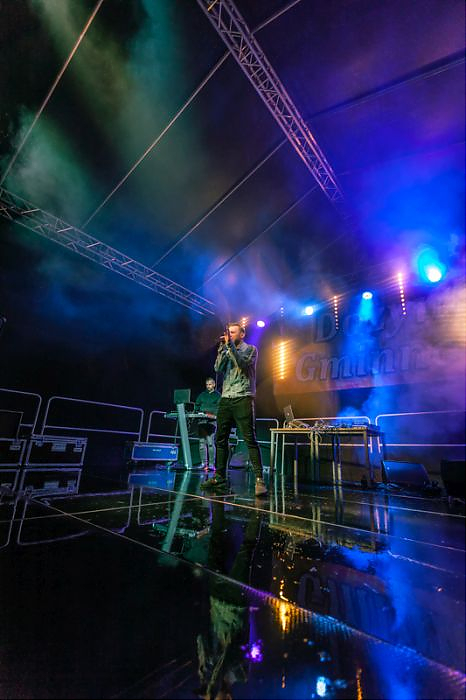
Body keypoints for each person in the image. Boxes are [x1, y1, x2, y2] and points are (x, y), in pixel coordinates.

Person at [201, 323, 267, 497]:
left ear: (242, 334)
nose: (229, 335)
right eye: (228, 333)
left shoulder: (251, 349)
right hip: (226, 398)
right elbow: (217, 368)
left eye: (233, 332)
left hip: (243, 397)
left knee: (249, 438)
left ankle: (259, 480)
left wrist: (230, 347)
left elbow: (243, 364)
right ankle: (219, 477)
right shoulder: (226, 348)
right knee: (220, 438)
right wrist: (222, 349)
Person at [194, 377, 221, 468]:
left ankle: (211, 464)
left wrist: (213, 415)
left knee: (210, 443)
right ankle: (203, 463)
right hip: (202, 421)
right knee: (201, 443)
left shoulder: (217, 395)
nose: (208, 386)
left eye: (210, 384)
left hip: (211, 422)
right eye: (207, 385)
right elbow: (197, 405)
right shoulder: (202, 395)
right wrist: (197, 412)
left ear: (214, 385)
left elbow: (219, 408)